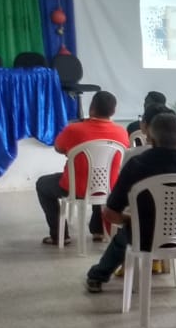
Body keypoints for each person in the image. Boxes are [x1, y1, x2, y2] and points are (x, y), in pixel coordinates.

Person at [84, 113, 176, 294]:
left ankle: (97, 277)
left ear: (150, 137)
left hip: (143, 237)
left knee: (126, 232)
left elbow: (111, 213)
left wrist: (128, 220)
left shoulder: (136, 165)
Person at [35, 91, 129, 246]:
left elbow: (58, 148)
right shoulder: (122, 132)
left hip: (76, 187)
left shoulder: (74, 129)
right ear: (113, 111)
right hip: (108, 186)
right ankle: (98, 230)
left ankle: (59, 235)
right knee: (101, 183)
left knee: (42, 184)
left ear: (91, 108)